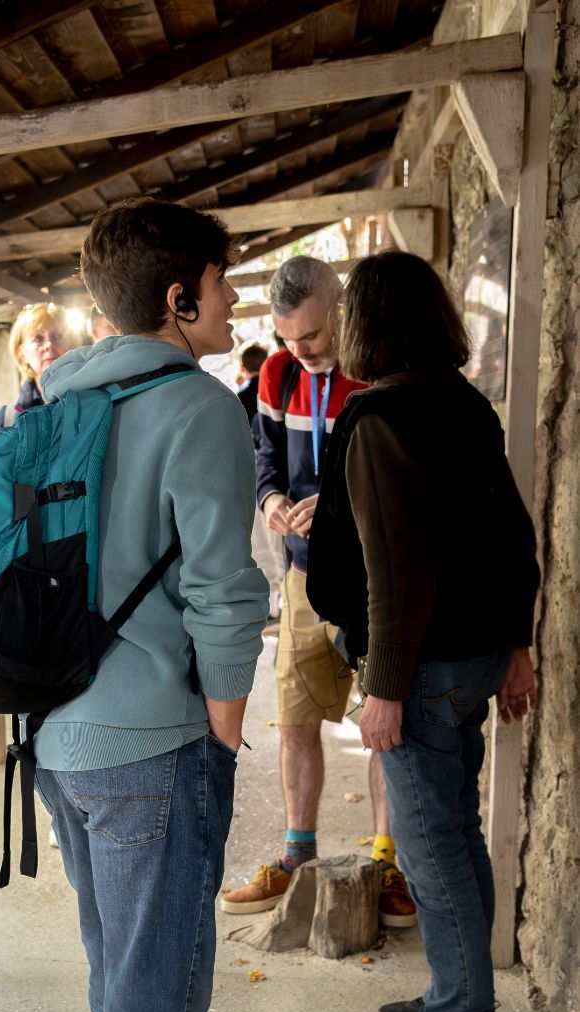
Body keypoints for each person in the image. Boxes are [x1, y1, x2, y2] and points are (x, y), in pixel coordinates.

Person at [32, 196, 268, 1012]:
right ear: (179, 297)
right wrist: (222, 729)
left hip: (56, 735)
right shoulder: (200, 408)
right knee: (149, 983)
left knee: (128, 965)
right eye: (222, 281)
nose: (236, 297)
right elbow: (225, 592)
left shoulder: (53, 403)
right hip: (153, 743)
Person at [307, 250, 539, 1012]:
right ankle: (461, 993)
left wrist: (384, 690)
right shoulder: (466, 405)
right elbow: (514, 536)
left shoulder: (380, 422)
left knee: (431, 848)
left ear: (364, 326)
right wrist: (517, 648)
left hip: (428, 666)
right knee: (455, 836)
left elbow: (396, 574)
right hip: (475, 656)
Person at [220, 255, 416, 928]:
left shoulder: (378, 370)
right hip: (305, 579)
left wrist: (332, 508)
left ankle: (389, 862)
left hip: (375, 582)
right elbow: (262, 454)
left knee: (387, 726)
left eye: (311, 337)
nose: (299, 352)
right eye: (287, 339)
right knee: (297, 720)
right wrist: (271, 499)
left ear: (338, 309)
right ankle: (297, 856)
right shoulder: (276, 374)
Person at [235, 342, 283, 621]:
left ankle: (270, 602)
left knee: (260, 541)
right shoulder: (273, 394)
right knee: (278, 541)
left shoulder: (237, 399)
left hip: (250, 475)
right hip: (275, 476)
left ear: (243, 368)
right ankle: (280, 596)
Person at [0, 301, 81, 432]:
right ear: (21, 352)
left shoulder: (91, 403)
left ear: (71, 345)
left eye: (57, 336)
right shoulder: (7, 420)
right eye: (38, 338)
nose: (49, 344)